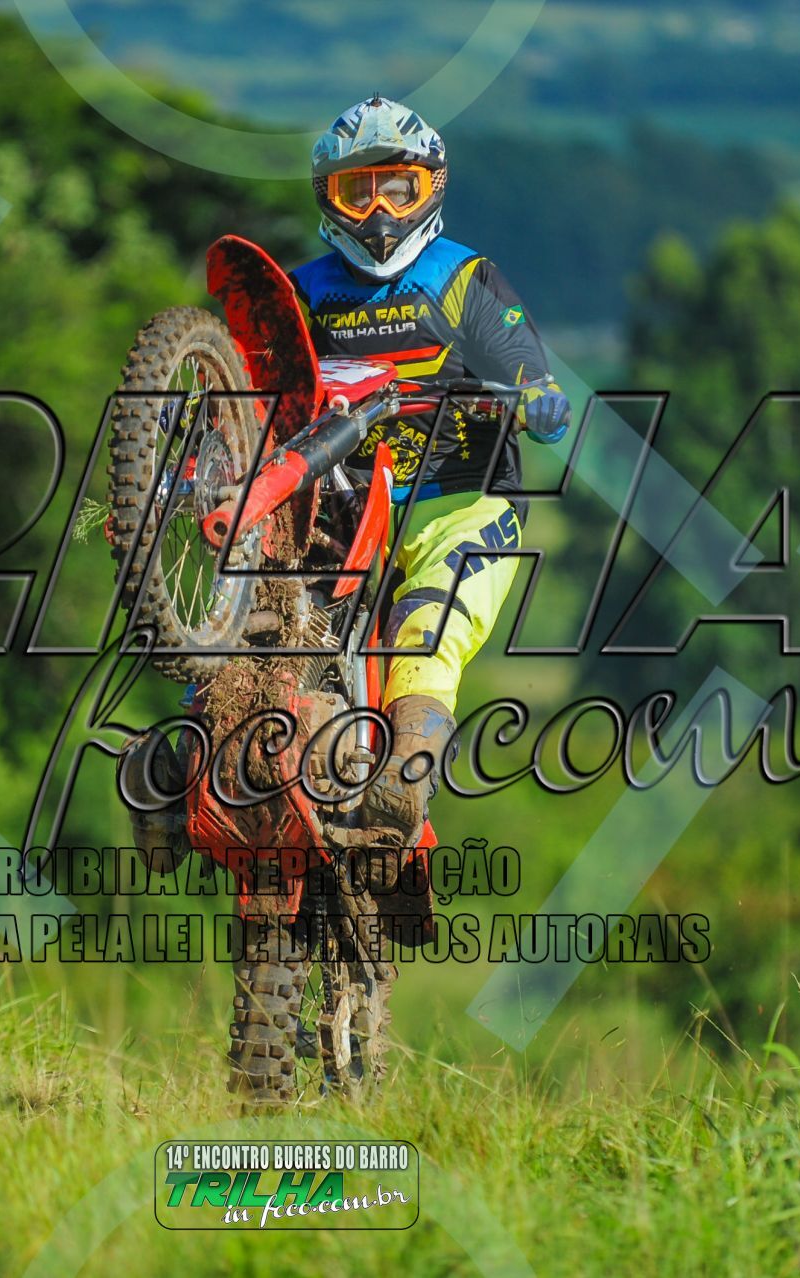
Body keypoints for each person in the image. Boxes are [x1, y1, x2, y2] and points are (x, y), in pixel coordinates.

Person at [289, 95, 571, 845]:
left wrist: (535, 394)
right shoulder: (304, 290)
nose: (379, 212)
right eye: (358, 191)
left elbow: (520, 358)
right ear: (328, 199)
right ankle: (188, 759)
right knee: (266, 621)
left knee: (428, 628)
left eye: (397, 188)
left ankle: (405, 773)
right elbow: (262, 380)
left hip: (464, 503)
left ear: (431, 188)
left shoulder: (463, 277)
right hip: (343, 509)